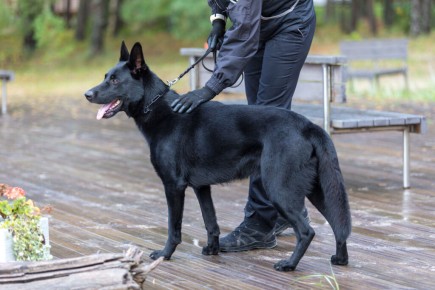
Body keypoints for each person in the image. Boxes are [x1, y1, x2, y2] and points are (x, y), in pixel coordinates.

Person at [171, 0, 316, 252]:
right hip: (257, 21)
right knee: (256, 116)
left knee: (269, 121)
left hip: (289, 22)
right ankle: (284, 209)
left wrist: (210, 89)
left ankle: (259, 224)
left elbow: (243, 34)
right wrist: (217, 19)